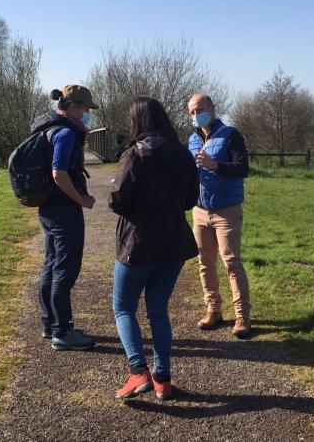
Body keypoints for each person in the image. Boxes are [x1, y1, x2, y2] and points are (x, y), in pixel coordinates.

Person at [108, 97, 199, 400]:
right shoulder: (183, 156)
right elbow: (189, 201)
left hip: (138, 245)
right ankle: (163, 378)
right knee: (158, 311)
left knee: (123, 308)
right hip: (173, 245)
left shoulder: (134, 156)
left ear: (138, 122)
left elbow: (118, 202)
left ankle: (138, 372)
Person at [32, 84, 97, 351]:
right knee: (64, 271)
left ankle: (50, 324)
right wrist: (81, 199)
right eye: (84, 109)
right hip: (64, 210)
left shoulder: (47, 127)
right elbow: (59, 173)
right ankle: (63, 331)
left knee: (51, 265)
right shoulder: (65, 134)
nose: (86, 114)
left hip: (47, 206)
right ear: (71, 107)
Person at [187, 93, 252, 338]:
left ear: (213, 108)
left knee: (231, 262)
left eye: (201, 109)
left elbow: (243, 168)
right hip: (200, 211)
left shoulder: (231, 135)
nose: (197, 114)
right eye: (192, 112)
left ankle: (242, 316)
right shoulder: (192, 140)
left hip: (227, 210)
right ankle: (213, 310)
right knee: (205, 263)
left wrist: (216, 165)